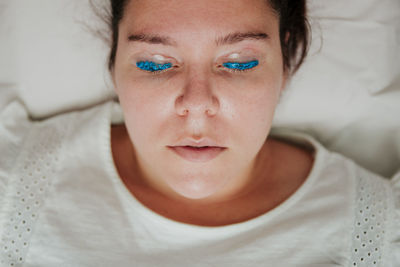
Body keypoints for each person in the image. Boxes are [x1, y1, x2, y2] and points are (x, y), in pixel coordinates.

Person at [0, 0, 398, 266]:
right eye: (155, 64)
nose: (196, 103)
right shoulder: (12, 185)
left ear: (285, 59)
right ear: (114, 59)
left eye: (240, 63)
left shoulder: (379, 235)